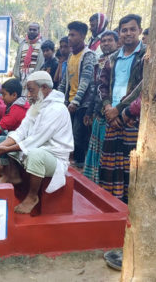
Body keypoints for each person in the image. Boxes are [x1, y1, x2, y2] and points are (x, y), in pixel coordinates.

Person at [0, 71, 73, 214]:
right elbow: (21, 132)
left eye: (31, 90)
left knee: (35, 155)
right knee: (6, 137)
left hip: (54, 158)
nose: (28, 95)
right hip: (35, 147)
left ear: (44, 87)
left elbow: (34, 141)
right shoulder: (37, 105)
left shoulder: (56, 109)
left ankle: (32, 196)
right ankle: (12, 175)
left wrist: (2, 150)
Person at [98, 15, 146, 271]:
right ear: (119, 33)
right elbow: (102, 86)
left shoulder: (146, 56)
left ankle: (130, 230)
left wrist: (122, 112)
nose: (128, 34)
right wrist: (108, 108)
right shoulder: (112, 59)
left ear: (139, 31)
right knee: (110, 173)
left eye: (132, 30)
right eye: (124, 30)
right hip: (112, 120)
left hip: (132, 121)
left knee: (129, 175)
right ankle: (114, 224)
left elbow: (143, 89)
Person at [58, 21, 96, 170]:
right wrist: (58, 98)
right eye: (69, 34)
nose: (69, 38)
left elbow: (86, 81)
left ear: (82, 36)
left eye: (73, 35)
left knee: (78, 136)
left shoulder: (88, 55)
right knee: (69, 135)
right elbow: (64, 82)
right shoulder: (71, 56)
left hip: (83, 103)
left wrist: (76, 101)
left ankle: (80, 166)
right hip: (69, 102)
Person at [83, 31, 119, 183]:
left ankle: (106, 183)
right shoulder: (98, 63)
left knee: (108, 152)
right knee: (96, 151)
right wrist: (89, 111)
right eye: (103, 41)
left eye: (109, 40)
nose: (105, 43)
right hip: (99, 113)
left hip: (114, 113)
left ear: (117, 42)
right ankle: (94, 181)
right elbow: (94, 88)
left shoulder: (118, 60)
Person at [12, 22, 45, 88]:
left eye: (34, 30)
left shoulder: (42, 44)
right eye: (30, 29)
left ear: (39, 31)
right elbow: (14, 36)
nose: (32, 31)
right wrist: (12, 25)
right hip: (21, 77)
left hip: (35, 79)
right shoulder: (22, 42)